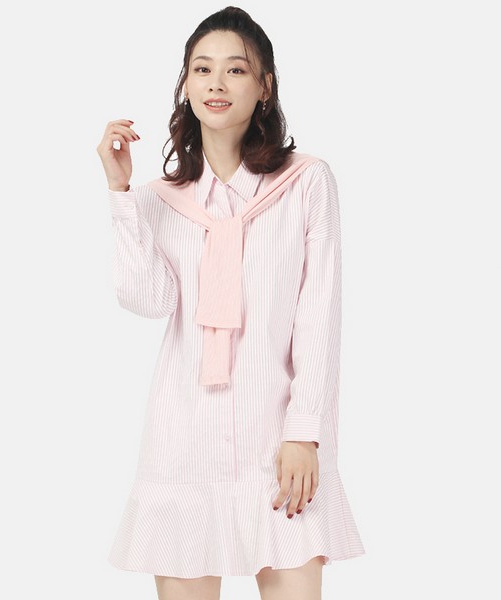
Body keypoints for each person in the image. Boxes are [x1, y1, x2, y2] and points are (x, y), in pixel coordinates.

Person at [96, 6, 365, 600]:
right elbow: (148, 299)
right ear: (186, 84)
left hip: (278, 442)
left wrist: (305, 433)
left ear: (264, 86)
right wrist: (120, 193)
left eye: (236, 69)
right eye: (202, 69)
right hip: (183, 445)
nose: (216, 83)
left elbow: (319, 317)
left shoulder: (306, 182)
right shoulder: (159, 200)